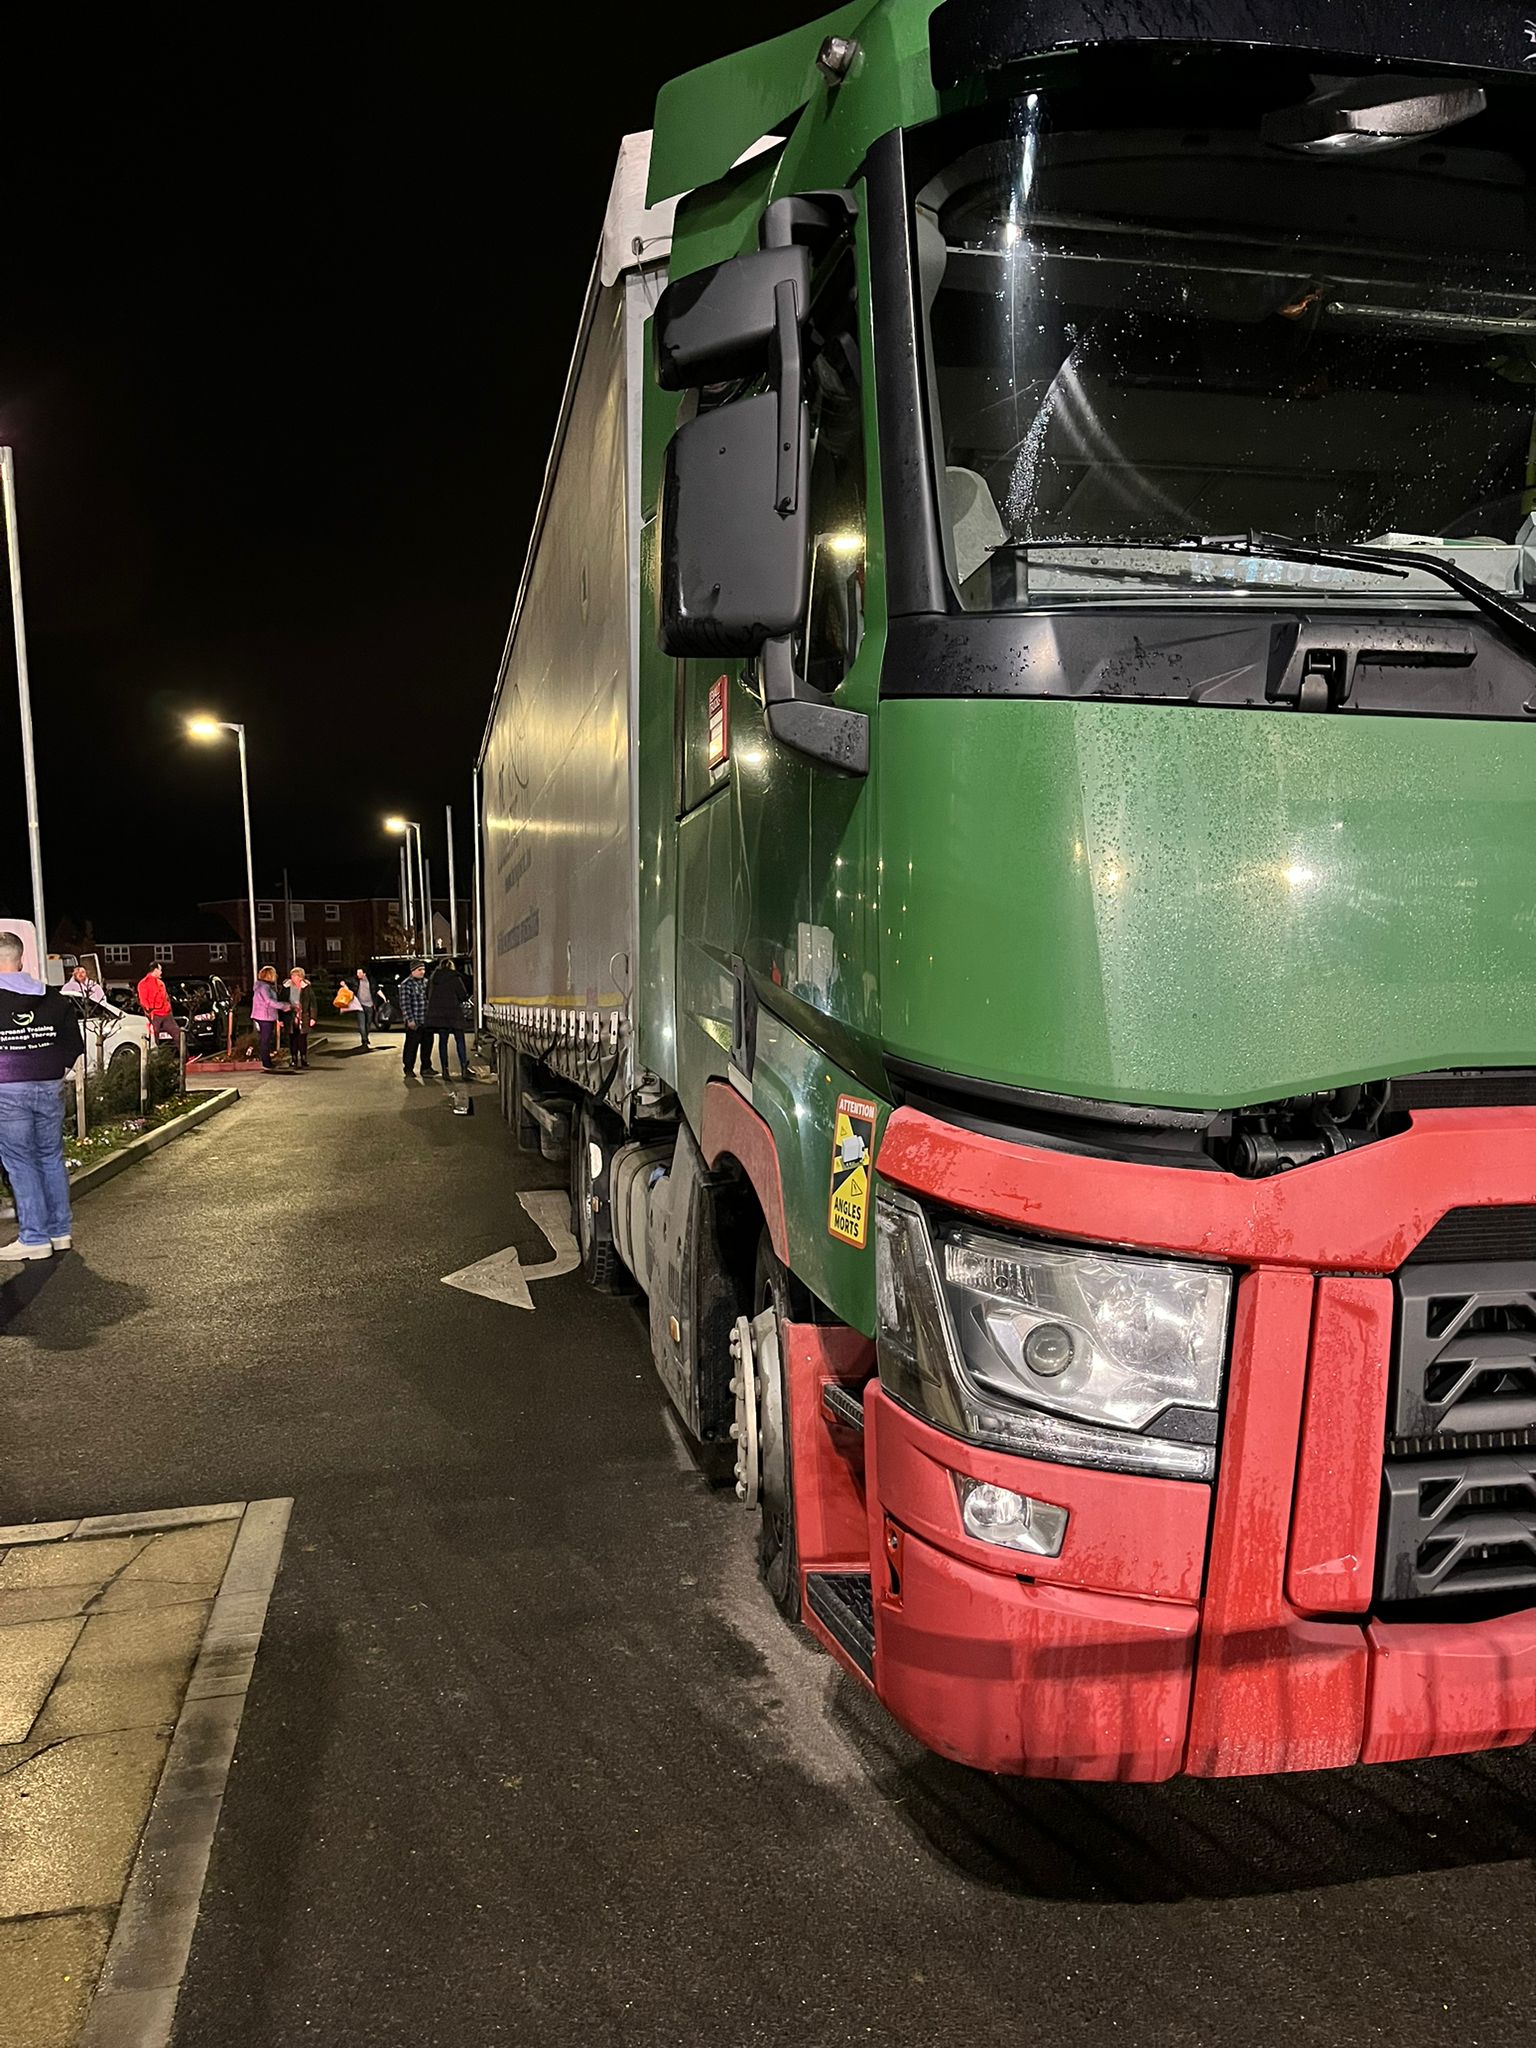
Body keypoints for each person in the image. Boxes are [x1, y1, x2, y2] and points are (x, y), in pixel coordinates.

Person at [0, 930, 84, 1259]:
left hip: (7, 1087)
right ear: (21, 960)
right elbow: (73, 1044)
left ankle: (34, 1237)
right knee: (50, 1157)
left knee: (21, 1162)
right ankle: (59, 1231)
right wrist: (55, 1069)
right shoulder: (53, 998)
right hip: (49, 1085)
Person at [425, 960, 473, 1080]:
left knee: (443, 1041)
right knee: (460, 1040)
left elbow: (427, 995)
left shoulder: (433, 979)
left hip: (440, 1015)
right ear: (451, 967)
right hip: (454, 1013)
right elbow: (463, 995)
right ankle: (463, 1069)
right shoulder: (455, 977)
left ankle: (445, 1070)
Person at [396, 962, 435, 1078]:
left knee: (427, 1045)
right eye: (419, 970)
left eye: (423, 969)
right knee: (411, 1046)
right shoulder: (406, 984)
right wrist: (410, 1019)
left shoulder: (427, 983)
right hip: (415, 1021)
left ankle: (426, 1067)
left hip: (426, 1021)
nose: (422, 972)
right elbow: (405, 1004)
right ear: (413, 971)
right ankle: (408, 1069)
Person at [250, 965, 287, 1070]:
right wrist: (284, 1006)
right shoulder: (265, 987)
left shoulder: (261, 986)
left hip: (262, 1015)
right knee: (265, 1040)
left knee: (265, 1039)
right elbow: (269, 1001)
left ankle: (266, 1061)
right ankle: (266, 1063)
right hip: (265, 1016)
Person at [136, 962, 176, 1045]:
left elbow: (166, 998)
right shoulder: (144, 983)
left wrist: (168, 1008)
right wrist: (150, 1010)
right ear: (155, 970)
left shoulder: (161, 983)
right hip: (154, 1015)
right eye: (160, 970)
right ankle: (156, 1056)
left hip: (166, 1013)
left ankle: (185, 1056)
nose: (161, 972)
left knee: (178, 1034)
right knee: (154, 1037)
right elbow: (144, 1001)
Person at [286, 966, 317, 1069]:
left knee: (302, 1038)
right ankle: (294, 1058)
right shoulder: (287, 988)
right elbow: (282, 1002)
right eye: (292, 975)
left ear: (301, 977)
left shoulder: (307, 988)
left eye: (295, 975)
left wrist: (313, 1017)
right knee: (292, 1038)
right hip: (291, 1017)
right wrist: (281, 1019)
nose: (293, 977)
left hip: (303, 1016)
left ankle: (303, 1058)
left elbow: (312, 1004)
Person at [353, 967, 374, 1049]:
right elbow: (347, 981)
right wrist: (343, 983)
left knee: (368, 1023)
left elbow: (375, 990)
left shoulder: (370, 981)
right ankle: (364, 1040)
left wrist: (383, 997)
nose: (358, 974)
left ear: (364, 973)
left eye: (360, 973)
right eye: (357, 973)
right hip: (359, 1005)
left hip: (369, 1005)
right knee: (361, 1024)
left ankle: (366, 1036)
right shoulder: (355, 981)